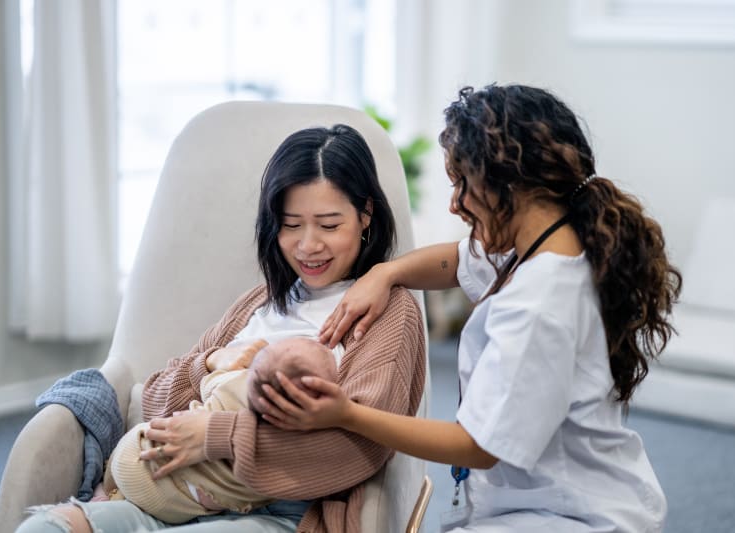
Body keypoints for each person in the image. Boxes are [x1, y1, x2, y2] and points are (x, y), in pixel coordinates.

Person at [257, 85, 683, 533]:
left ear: (510, 184)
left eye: (463, 184)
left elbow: (478, 446)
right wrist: (385, 273)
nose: (454, 203)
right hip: (561, 499)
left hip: (572, 515)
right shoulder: (543, 244)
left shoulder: (540, 302)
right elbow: (457, 261)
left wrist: (347, 414)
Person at [17, 124, 426, 533]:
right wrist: (212, 362)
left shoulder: (389, 314)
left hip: (280, 511)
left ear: (365, 214)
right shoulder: (258, 303)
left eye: (329, 225)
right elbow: (155, 400)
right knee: (42, 529)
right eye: (291, 224)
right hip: (172, 496)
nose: (308, 245)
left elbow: (355, 449)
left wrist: (217, 435)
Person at [102, 337, 338, 524]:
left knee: (134, 449)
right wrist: (211, 359)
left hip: (139, 453)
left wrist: (216, 375)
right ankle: (112, 494)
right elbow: (152, 395)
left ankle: (106, 491)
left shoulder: (235, 381)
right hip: (178, 503)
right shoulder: (295, 448)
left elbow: (209, 383)